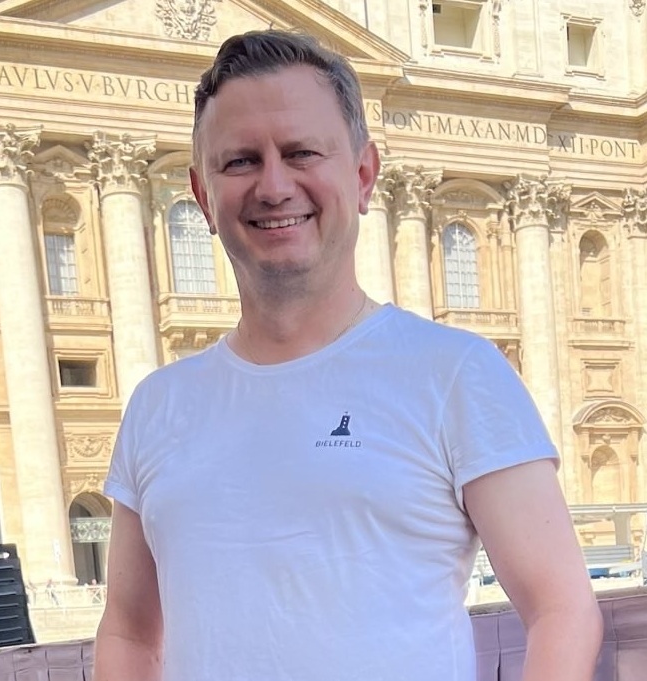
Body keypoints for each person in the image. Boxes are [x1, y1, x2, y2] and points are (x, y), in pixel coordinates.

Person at [94, 30, 603, 681]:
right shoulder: (156, 406)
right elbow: (129, 632)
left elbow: (562, 608)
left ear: (363, 175)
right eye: (241, 161)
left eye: (301, 153)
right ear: (203, 196)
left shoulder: (456, 374)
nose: (274, 185)